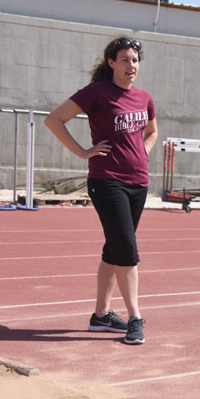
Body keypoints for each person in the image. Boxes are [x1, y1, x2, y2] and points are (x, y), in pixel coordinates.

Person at [45, 37, 158, 344]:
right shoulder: (97, 92)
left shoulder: (144, 98)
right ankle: (135, 317)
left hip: (138, 182)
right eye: (124, 60)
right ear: (111, 62)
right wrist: (83, 152)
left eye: (134, 60)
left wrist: (143, 152)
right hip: (107, 180)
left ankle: (101, 316)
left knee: (115, 249)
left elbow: (152, 131)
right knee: (127, 251)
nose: (131, 66)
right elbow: (54, 119)